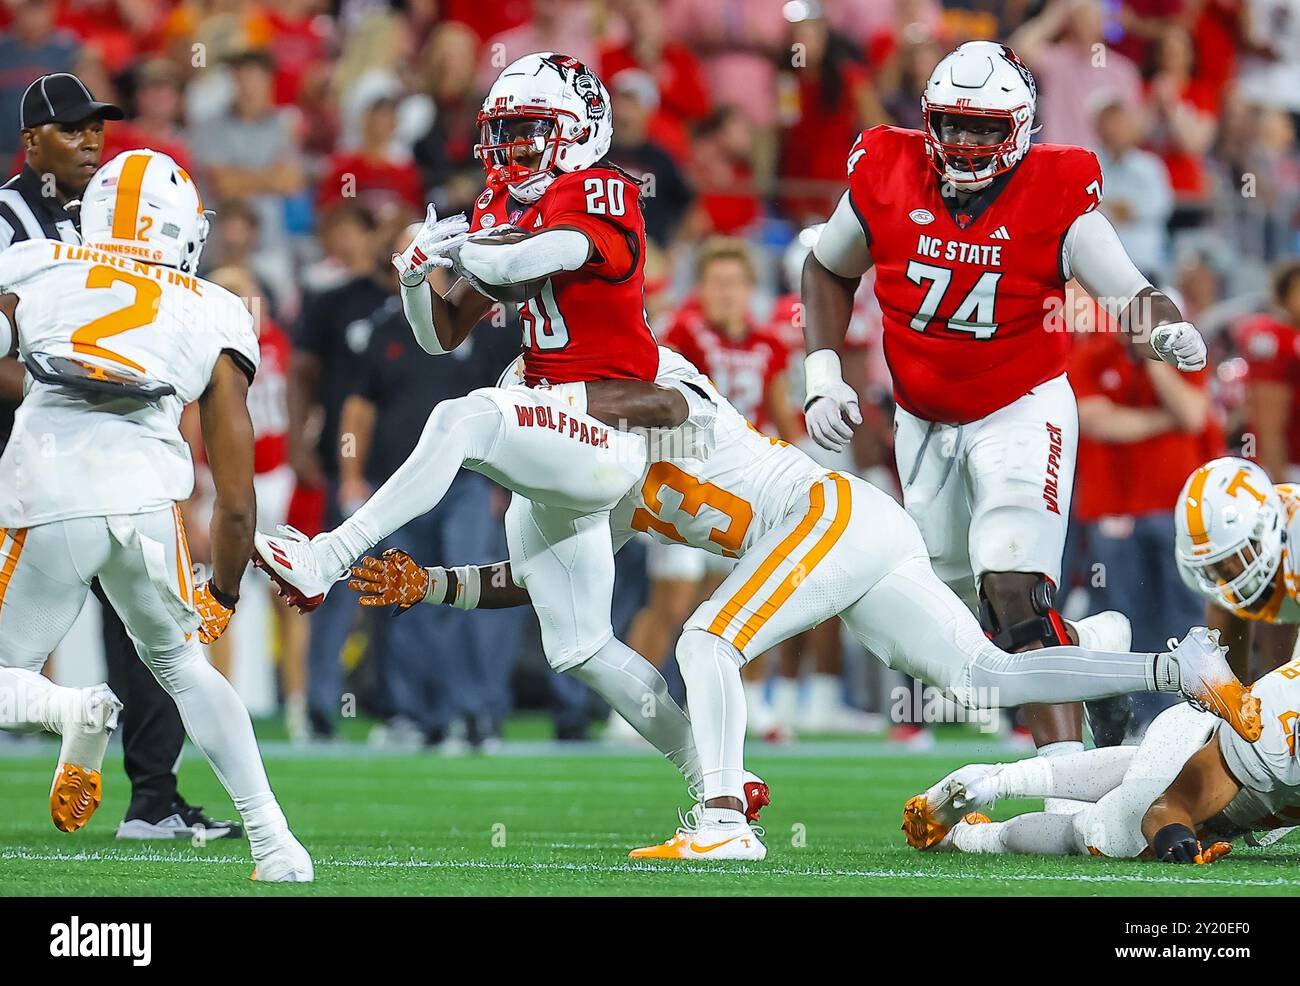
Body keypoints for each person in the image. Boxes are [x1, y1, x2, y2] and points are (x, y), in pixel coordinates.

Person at [349, 346, 1261, 861]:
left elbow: (667, 395)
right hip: (843, 532)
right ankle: (1176, 665)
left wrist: (580, 396)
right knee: (988, 675)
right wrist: (433, 585)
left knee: (707, 640)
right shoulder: (578, 484)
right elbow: (541, 578)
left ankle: (723, 823)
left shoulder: (647, 391)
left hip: (820, 509)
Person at [254, 54, 722, 806]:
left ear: (578, 134)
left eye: (528, 133)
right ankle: (718, 782)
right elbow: (440, 333)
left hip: (601, 420)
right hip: (558, 431)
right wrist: (415, 277)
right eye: (501, 134)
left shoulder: (598, 190)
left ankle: (328, 557)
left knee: (463, 417)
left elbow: (543, 255)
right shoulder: (510, 212)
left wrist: (466, 242)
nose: (509, 152)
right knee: (579, 646)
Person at [800, 41, 1209, 806]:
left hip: (1022, 406)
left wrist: (1163, 327)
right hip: (922, 421)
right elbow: (828, 265)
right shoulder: (886, 168)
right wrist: (821, 375)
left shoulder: (1055, 188)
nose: (965, 144)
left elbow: (1128, 288)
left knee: (1014, 585)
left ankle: (1066, 786)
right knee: (954, 632)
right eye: (953, 124)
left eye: (985, 130)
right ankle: (1095, 653)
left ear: (1021, 128)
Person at [0, 148, 310, 881]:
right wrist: (226, 590)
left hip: (47, 488)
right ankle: (276, 844)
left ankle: (71, 711)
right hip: (146, 501)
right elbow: (237, 490)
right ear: (183, 232)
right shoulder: (213, 306)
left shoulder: (41, 262)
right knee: (183, 665)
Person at [0, 72, 241, 841]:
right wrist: (62, 372)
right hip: (27, 436)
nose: (91, 140)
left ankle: (153, 797)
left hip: (97, 448)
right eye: (71, 130)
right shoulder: (9, 222)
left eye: (97, 127)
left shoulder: (106, 216)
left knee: (146, 636)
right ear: (30, 140)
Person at [902, 654, 1300, 863]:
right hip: (1201, 756)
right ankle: (967, 837)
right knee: (1101, 834)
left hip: (1196, 750)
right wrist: (1173, 836)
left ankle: (993, 780)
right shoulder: (1269, 731)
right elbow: (1170, 806)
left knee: (1140, 772)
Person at [1173, 457, 1300, 682]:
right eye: (1215, 565)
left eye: (1234, 556)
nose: (1227, 572)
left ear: (1265, 528)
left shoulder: (1296, 540)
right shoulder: (1198, 568)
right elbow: (1223, 608)